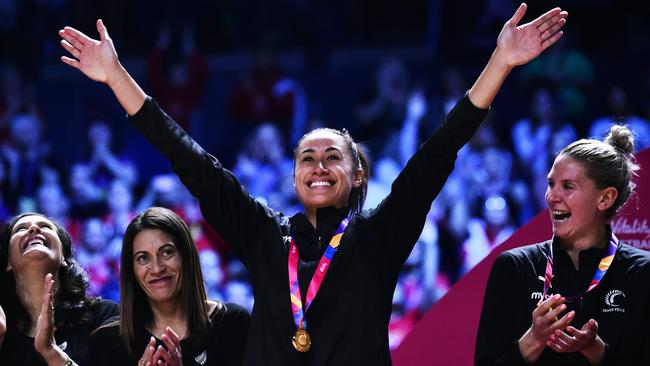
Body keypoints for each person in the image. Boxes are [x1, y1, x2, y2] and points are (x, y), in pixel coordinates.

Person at [59, 4, 567, 364]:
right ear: (295, 175)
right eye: (307, 157)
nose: (318, 166)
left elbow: (440, 152)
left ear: (358, 175)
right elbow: (187, 157)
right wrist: (117, 77)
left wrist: (499, 63)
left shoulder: (379, 236)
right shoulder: (264, 236)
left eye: (332, 157)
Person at [475, 125, 650, 365]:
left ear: (605, 198)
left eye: (568, 186)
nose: (551, 196)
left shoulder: (642, 273)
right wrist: (534, 339)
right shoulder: (514, 267)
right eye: (551, 184)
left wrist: (597, 352)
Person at [87, 207, 249, 366]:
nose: (157, 268)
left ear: (187, 256)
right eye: (143, 258)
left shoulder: (232, 323)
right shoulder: (108, 342)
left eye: (167, 252)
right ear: (132, 270)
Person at [0, 212, 119, 365]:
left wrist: (51, 352)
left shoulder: (104, 316)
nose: (34, 228)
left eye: (45, 226)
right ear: (8, 262)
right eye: (21, 229)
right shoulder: (4, 328)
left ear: (64, 257)